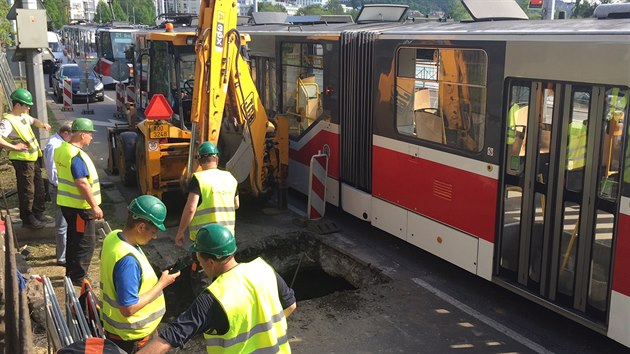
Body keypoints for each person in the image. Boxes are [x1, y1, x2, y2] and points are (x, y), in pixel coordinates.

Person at [137, 224, 296, 354]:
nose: (198, 263)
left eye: (198, 258)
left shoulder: (214, 297)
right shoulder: (264, 269)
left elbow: (169, 338)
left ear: (211, 262)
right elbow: (290, 305)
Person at [100, 195, 180, 354]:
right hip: (133, 338)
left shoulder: (113, 237)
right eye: (154, 231)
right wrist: (162, 284)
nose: (155, 236)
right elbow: (128, 308)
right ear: (141, 227)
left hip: (120, 333)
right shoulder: (128, 262)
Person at [54, 118, 102, 285]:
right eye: (90, 134)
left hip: (67, 204)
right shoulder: (76, 155)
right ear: (82, 135)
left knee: (73, 239)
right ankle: (79, 278)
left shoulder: (62, 149)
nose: (92, 138)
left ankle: (70, 273)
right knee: (85, 243)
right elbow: (81, 182)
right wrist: (94, 205)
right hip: (80, 208)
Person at [0, 88, 51, 229]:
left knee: (39, 187)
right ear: (17, 105)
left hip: (32, 158)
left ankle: (38, 213)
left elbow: (33, 120)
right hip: (22, 161)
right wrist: (14, 147)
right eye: (26, 105)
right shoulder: (8, 121)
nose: (29, 107)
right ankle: (28, 218)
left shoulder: (23, 116)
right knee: (27, 190)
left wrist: (42, 125)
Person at [174, 142, 239, 247]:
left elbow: (190, 209)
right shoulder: (230, 177)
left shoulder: (198, 179)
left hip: (205, 239)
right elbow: (236, 205)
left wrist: (180, 232)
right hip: (227, 237)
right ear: (216, 159)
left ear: (199, 161)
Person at [43, 122, 72, 266]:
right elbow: (52, 170)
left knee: (65, 222)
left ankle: (63, 253)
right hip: (59, 188)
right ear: (66, 133)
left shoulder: (59, 142)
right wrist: (62, 186)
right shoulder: (55, 145)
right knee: (61, 224)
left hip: (61, 187)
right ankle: (61, 257)